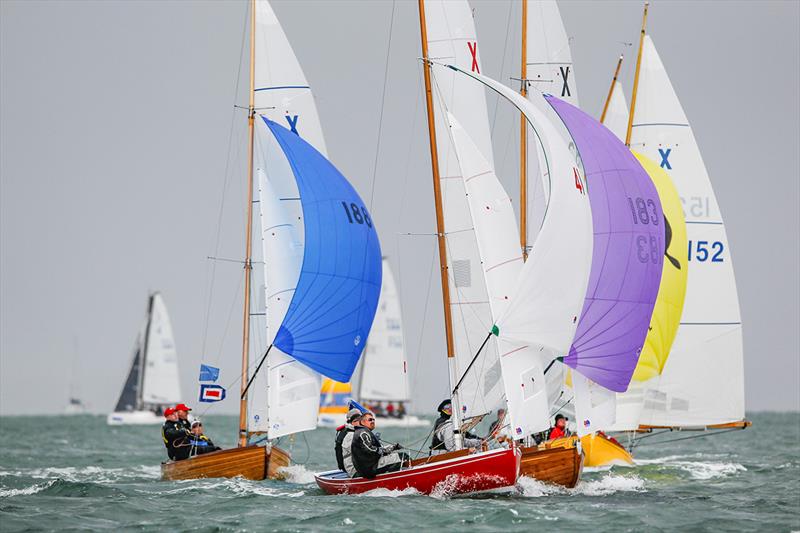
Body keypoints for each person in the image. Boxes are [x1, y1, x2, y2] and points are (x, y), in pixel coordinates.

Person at [350, 412, 409, 478]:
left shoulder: (362, 431)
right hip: (370, 468)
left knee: (399, 457)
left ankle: (394, 478)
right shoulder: (362, 433)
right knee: (403, 457)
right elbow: (369, 449)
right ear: (362, 422)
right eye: (370, 420)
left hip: (370, 466)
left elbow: (375, 450)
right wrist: (382, 450)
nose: (372, 421)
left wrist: (393, 447)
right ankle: (408, 477)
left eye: (373, 419)